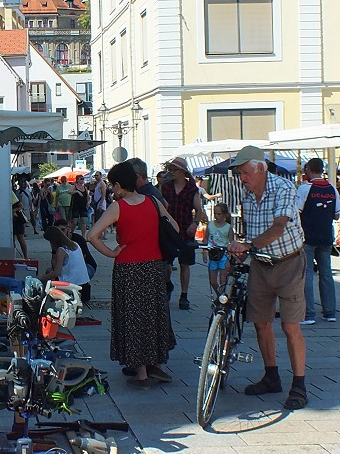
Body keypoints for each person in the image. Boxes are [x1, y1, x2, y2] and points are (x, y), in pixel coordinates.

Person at [228, 146, 309, 411]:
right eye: (239, 173)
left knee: (290, 325)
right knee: (261, 323)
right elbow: (248, 230)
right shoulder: (247, 194)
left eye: (245, 172)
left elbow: (278, 226)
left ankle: (299, 385)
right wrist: (241, 252)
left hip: (288, 262)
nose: (242, 178)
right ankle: (271, 375)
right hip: (262, 264)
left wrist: (249, 246)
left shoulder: (283, 188)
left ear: (261, 168)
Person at [87, 161, 177, 388]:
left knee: (133, 317)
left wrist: (111, 252)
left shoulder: (119, 207)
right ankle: (158, 363)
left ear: (118, 185)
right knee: (154, 313)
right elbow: (174, 227)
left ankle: (142, 373)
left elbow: (91, 235)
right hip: (154, 265)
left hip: (128, 268)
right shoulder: (153, 201)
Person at [296, 158, 340, 325]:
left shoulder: (304, 189)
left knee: (307, 274)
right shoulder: (332, 189)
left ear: (309, 170)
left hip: (308, 236)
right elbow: (336, 214)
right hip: (326, 235)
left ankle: (308, 314)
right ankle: (330, 312)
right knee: (326, 274)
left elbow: (297, 211)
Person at [161, 157, 206, 311]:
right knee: (166, 264)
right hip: (168, 231)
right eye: (170, 169)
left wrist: (195, 224)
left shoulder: (192, 189)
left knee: (184, 264)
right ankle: (167, 284)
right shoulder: (166, 187)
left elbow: (198, 209)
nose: (171, 172)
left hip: (186, 229)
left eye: (174, 170)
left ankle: (184, 295)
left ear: (182, 172)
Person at [41, 223, 91, 288]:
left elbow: (56, 272)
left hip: (71, 284)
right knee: (49, 271)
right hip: (84, 282)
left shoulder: (61, 250)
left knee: (48, 275)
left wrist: (41, 277)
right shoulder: (75, 244)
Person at [203, 202, 234, 297]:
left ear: (224, 215)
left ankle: (222, 298)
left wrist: (230, 258)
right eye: (215, 213)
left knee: (222, 279)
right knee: (212, 281)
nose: (216, 216)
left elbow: (231, 243)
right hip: (213, 254)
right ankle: (220, 295)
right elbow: (205, 239)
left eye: (219, 214)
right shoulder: (210, 225)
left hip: (223, 255)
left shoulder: (228, 227)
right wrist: (204, 251)